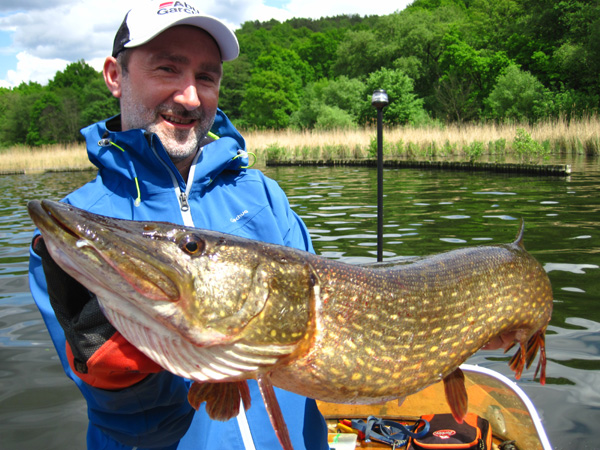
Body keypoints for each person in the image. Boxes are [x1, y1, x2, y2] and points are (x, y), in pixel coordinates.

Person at [28, 2, 329, 449]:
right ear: (115, 75)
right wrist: (120, 381)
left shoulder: (264, 196)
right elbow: (137, 427)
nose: (190, 97)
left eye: (206, 77)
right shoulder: (65, 239)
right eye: (167, 68)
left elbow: (317, 348)